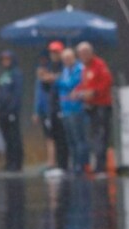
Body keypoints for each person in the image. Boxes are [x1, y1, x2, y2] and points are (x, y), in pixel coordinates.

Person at [74, 41, 114, 174]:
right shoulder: (85, 69)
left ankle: (101, 166)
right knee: (94, 136)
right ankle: (97, 165)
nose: (83, 56)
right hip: (91, 107)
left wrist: (95, 92)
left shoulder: (99, 65)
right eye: (81, 54)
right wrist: (77, 91)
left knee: (101, 136)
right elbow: (85, 85)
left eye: (85, 53)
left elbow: (106, 82)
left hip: (101, 105)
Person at [38, 41, 69, 174]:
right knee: (54, 136)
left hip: (63, 105)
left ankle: (64, 164)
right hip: (52, 106)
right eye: (52, 52)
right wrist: (45, 79)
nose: (53, 55)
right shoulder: (49, 67)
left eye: (56, 52)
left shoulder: (64, 66)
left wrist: (53, 78)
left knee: (63, 137)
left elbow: (64, 81)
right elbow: (45, 87)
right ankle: (57, 164)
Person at [56, 47, 89, 175]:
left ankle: (82, 165)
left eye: (68, 58)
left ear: (73, 57)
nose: (66, 61)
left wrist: (55, 80)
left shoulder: (79, 69)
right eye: (64, 59)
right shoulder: (65, 70)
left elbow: (70, 84)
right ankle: (74, 164)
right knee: (70, 140)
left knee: (79, 139)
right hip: (65, 108)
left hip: (76, 108)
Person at [0, 50, 24, 172]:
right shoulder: (3, 74)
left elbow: (17, 93)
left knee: (14, 137)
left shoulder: (16, 73)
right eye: (3, 59)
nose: (5, 61)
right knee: (6, 138)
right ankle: (9, 162)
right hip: (2, 110)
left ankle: (17, 163)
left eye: (7, 59)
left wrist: (12, 109)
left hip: (11, 111)